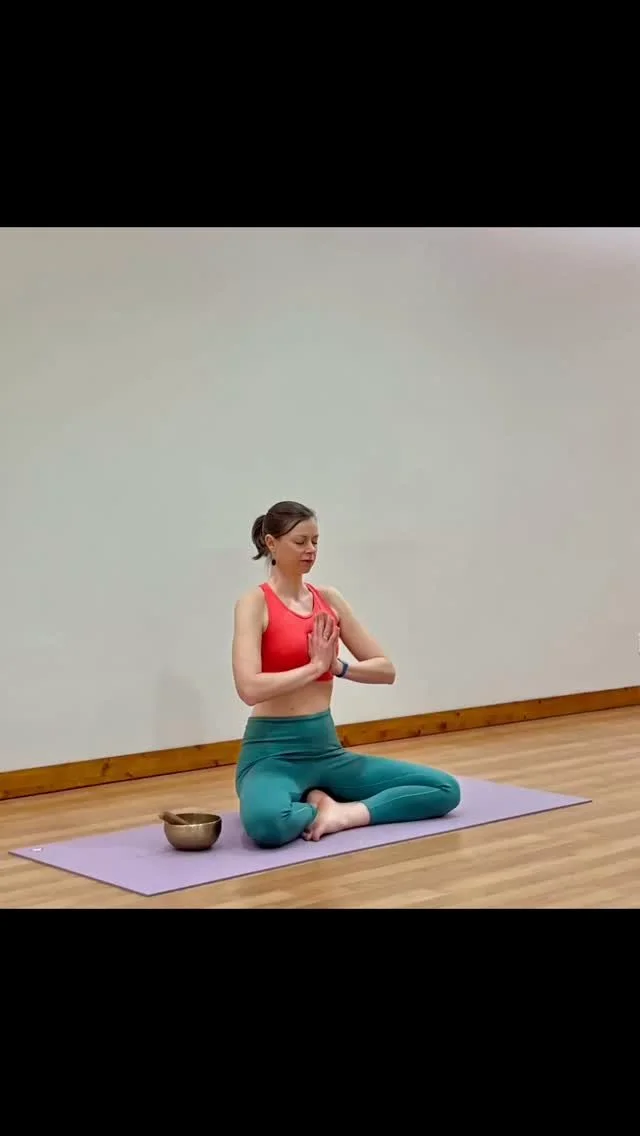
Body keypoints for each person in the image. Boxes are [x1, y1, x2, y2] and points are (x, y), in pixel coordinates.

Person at [232, 500, 461, 848]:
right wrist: (314, 668)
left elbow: (385, 670)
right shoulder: (254, 603)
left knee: (444, 789)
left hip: (326, 751)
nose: (310, 550)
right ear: (271, 543)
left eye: (315, 541)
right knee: (267, 825)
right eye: (300, 541)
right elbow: (249, 688)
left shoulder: (329, 599)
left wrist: (338, 667)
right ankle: (315, 801)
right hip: (271, 755)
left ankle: (342, 813)